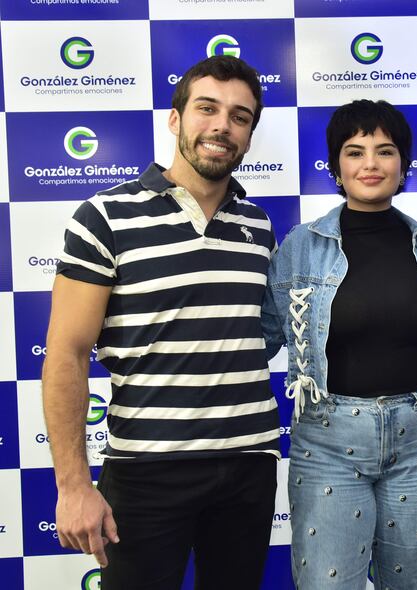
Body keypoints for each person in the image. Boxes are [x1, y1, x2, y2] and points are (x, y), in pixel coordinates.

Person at [42, 56, 279, 589]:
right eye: (207, 109)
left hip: (249, 466)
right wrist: (73, 485)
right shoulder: (104, 217)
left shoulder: (258, 225)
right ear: (176, 119)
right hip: (147, 470)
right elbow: (65, 353)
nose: (222, 125)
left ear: (248, 135)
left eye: (240, 117)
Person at [261, 99, 417, 590]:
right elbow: (260, 338)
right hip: (327, 439)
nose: (370, 163)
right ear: (336, 166)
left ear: (403, 164)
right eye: (355, 151)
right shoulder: (300, 246)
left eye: (384, 151)